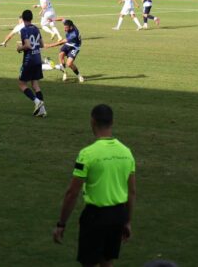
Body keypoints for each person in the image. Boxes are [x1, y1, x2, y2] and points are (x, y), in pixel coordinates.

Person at [52, 104, 136, 267]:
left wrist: (61, 224)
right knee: (108, 262)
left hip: (95, 217)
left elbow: (72, 193)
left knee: (89, 263)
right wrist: (127, 221)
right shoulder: (127, 152)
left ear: (92, 121)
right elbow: (132, 192)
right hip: (118, 214)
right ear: (112, 122)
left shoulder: (87, 154)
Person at [16, 10, 46, 117]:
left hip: (29, 60)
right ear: (31, 18)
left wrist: (20, 48)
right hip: (38, 58)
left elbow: (28, 45)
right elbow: (42, 45)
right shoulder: (36, 28)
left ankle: (37, 102)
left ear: (23, 19)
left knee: (21, 83)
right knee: (35, 85)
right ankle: (42, 110)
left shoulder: (24, 30)